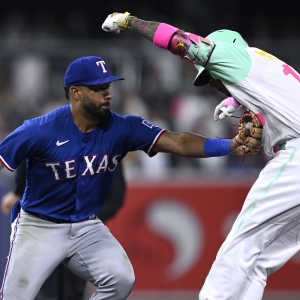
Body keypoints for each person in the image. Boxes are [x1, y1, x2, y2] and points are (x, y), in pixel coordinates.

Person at [0, 55, 256, 300]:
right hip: (39, 226)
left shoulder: (122, 127)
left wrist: (229, 146)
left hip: (86, 226)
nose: (108, 93)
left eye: (108, 86)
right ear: (76, 92)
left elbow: (178, 142)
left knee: (121, 279)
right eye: (99, 88)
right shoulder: (40, 129)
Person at [102, 12, 300, 300]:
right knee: (258, 258)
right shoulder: (266, 65)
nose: (210, 82)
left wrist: (129, 22)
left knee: (239, 246)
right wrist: (234, 100)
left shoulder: (236, 56)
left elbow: (177, 41)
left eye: (209, 72)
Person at [0, 159, 127, 300]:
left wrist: (85, 220)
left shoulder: (108, 146)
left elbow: (116, 196)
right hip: (42, 226)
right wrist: (18, 192)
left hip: (81, 233)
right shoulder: (48, 140)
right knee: (29, 288)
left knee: (72, 292)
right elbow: (29, 152)